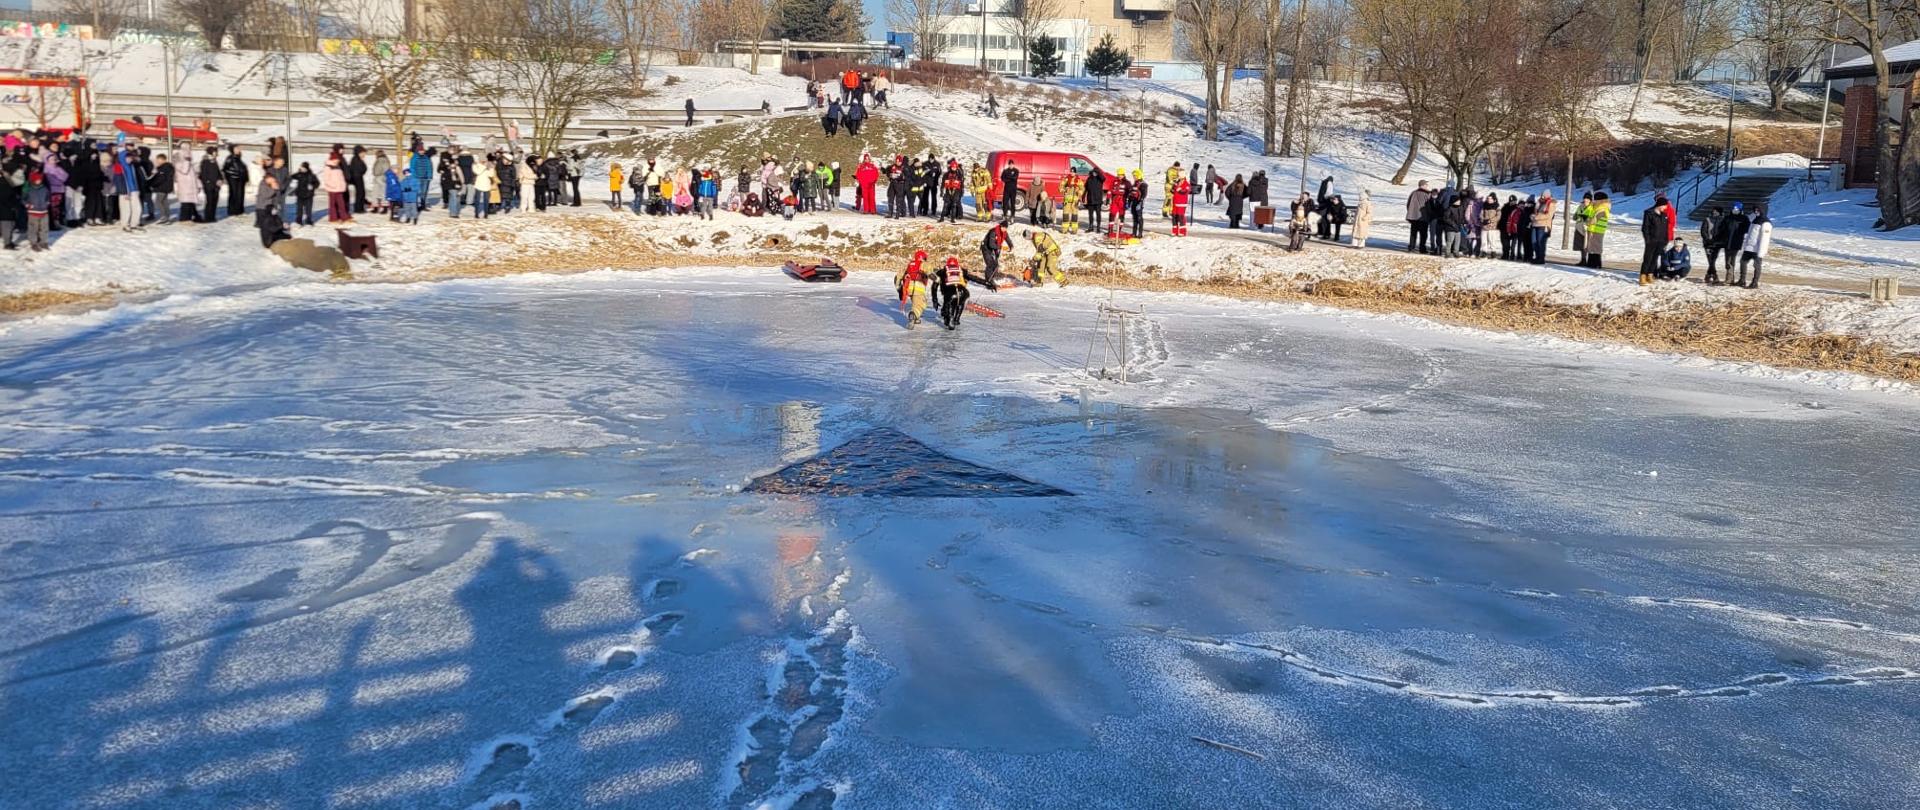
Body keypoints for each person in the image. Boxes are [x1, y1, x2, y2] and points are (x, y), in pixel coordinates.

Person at [1638, 195, 1673, 285]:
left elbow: (1665, 229)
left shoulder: (1664, 215)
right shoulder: (1649, 213)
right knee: (1648, 258)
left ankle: (1650, 274)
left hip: (1661, 241)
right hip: (1651, 240)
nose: (1666, 208)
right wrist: (1648, 240)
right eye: (1665, 206)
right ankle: (1643, 275)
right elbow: (1645, 228)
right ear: (1660, 205)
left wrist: (1666, 240)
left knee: (1655, 258)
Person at [1735, 206, 1771, 289]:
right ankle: (1742, 280)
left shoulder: (1766, 222)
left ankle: (1755, 283)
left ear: (1763, 210)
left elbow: (1765, 239)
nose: (1756, 211)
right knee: (1743, 262)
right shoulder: (1755, 219)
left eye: (1758, 209)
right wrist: (1746, 244)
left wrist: (1761, 251)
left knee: (1757, 266)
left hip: (1757, 249)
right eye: (1755, 210)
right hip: (1749, 247)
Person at [254, 162, 288, 247]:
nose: (274, 181)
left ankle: (277, 234)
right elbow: (265, 195)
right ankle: (267, 241)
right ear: (267, 178)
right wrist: (273, 189)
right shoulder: (263, 184)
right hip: (262, 208)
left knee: (273, 221)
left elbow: (276, 196)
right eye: (272, 179)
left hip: (270, 207)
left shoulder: (270, 184)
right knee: (266, 226)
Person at [932, 255, 970, 330]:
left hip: (949, 293)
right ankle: (956, 319)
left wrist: (935, 300)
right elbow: (973, 278)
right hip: (963, 293)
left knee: (948, 305)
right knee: (960, 303)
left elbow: (934, 286)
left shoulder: (942, 271)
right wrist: (987, 283)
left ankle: (949, 319)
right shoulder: (962, 271)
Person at [897, 249, 932, 328]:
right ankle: (913, 315)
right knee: (921, 304)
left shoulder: (910, 264)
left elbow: (899, 276)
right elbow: (930, 272)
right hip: (918, 288)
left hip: (909, 287)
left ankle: (916, 318)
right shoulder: (924, 264)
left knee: (915, 303)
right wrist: (937, 279)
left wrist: (899, 288)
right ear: (923, 257)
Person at [1699, 205, 1727, 284]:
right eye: (1713, 210)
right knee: (1710, 260)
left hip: (1717, 244)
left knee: (1713, 260)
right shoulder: (1707, 219)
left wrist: (1719, 240)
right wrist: (1707, 240)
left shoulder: (1723, 220)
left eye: (1716, 211)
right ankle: (1714, 275)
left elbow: (1723, 232)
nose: (1714, 212)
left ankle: (1708, 275)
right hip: (1708, 243)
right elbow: (1703, 231)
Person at [23, 169, 50, 251]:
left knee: (44, 228)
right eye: (37, 180)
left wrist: (47, 202)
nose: (38, 181)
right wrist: (27, 204)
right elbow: (23, 199)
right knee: (33, 228)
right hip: (33, 212)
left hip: (44, 211)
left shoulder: (44, 189)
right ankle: (33, 242)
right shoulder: (29, 189)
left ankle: (43, 241)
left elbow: (48, 197)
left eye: (40, 180)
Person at [980, 220, 1012, 286]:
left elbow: (1007, 239)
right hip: (986, 248)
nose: (1004, 229)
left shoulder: (1004, 233)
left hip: (995, 248)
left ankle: (992, 278)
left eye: (1006, 228)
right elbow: (991, 244)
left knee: (996, 265)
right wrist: (1000, 247)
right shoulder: (993, 232)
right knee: (990, 264)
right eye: (1004, 227)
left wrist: (1011, 246)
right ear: (1001, 226)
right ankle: (988, 280)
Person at [1584, 192, 1610, 268]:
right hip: (1593, 229)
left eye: (1595, 199)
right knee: (1591, 247)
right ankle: (1591, 263)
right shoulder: (1596, 207)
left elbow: (1593, 220)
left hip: (1597, 230)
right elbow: (1585, 214)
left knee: (1596, 247)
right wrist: (1590, 206)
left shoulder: (1603, 208)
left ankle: (1596, 264)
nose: (1593, 200)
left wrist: (1588, 222)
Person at [222, 145, 249, 217]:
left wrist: (246, 178)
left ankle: (240, 210)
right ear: (232, 150)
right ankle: (233, 211)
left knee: (240, 195)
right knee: (234, 194)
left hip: (241, 179)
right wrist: (231, 176)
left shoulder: (239, 158)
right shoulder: (230, 158)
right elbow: (225, 169)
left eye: (239, 148)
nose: (238, 150)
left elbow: (243, 169)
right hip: (233, 179)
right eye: (236, 148)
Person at [1405, 181, 1432, 253]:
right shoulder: (1427, 194)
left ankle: (1411, 247)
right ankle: (1422, 248)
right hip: (1423, 217)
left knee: (1413, 233)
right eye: (1426, 184)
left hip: (1413, 217)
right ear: (1423, 185)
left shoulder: (1413, 193)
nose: (1427, 186)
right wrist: (1430, 214)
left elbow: (1408, 204)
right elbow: (1429, 206)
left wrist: (1410, 212)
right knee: (1423, 234)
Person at [1529, 190, 1555, 264]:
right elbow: (1535, 212)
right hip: (1535, 224)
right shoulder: (1539, 202)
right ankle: (1537, 256)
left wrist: (1536, 217)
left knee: (1541, 243)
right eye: (1541, 195)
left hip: (1543, 225)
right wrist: (1533, 215)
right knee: (1534, 241)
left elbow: (1549, 215)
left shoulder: (1551, 203)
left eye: (1544, 195)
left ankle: (1541, 258)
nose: (1542, 196)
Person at [289, 161, 318, 226]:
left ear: (306, 168)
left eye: (303, 167)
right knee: (299, 209)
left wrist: (312, 186)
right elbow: (292, 176)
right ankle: (299, 221)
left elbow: (317, 183)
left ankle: (309, 221)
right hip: (300, 194)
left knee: (308, 209)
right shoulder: (299, 174)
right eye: (301, 167)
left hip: (309, 195)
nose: (301, 168)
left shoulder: (311, 175)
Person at [323, 156, 351, 223]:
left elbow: (341, 178)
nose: (338, 161)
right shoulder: (328, 167)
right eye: (336, 159)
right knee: (332, 204)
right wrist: (333, 185)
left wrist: (343, 185)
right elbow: (326, 179)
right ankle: (333, 218)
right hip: (332, 189)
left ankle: (344, 217)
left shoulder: (338, 167)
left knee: (341, 203)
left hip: (339, 189)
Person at [348, 145, 368, 214]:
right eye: (363, 153)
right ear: (359, 152)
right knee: (360, 193)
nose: (364, 155)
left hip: (358, 177)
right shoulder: (356, 159)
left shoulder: (357, 159)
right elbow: (361, 169)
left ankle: (360, 207)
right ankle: (358, 208)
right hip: (357, 178)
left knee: (361, 192)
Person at [1084, 168, 1105, 233]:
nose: (1094, 173)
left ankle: (1098, 227)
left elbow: (1103, 178)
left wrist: (1099, 172)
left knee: (1098, 214)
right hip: (1090, 199)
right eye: (1093, 172)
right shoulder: (1089, 179)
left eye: (1095, 172)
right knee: (1090, 214)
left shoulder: (1100, 179)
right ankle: (1091, 227)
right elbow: (1086, 188)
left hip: (1098, 200)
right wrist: (1083, 196)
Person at [1572, 192, 1593, 258]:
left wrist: (1585, 218)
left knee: (1586, 245)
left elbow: (1592, 218)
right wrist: (1576, 216)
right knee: (1580, 245)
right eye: (1584, 198)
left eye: (1587, 199)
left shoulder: (1592, 208)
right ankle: (1582, 259)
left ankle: (1586, 259)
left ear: (1590, 200)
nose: (1585, 200)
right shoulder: (1580, 206)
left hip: (1587, 229)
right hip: (1579, 227)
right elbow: (1575, 217)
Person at [1127, 169, 1145, 238]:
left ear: (1139, 176)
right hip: (1134, 202)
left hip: (1139, 203)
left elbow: (1144, 195)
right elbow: (1131, 194)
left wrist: (1140, 203)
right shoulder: (1134, 184)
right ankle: (1134, 233)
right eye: (1133, 176)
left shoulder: (1143, 184)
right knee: (1134, 218)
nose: (1134, 177)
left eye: (1135, 176)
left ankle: (1140, 233)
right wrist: (1129, 202)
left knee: (1139, 218)